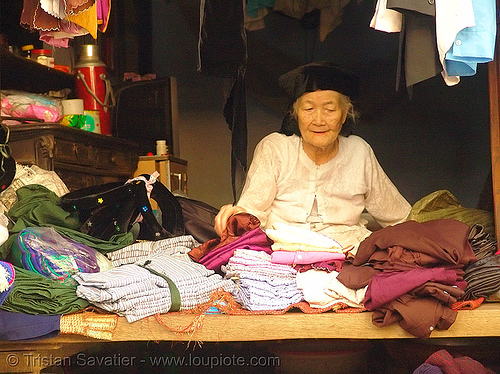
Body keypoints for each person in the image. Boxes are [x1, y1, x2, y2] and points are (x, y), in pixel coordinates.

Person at [215, 61, 411, 250]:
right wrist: (234, 215)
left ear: (345, 114)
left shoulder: (359, 151)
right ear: (295, 113)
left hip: (348, 250)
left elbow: (398, 215)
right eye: (308, 109)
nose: (318, 120)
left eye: (329, 109)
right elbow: (252, 211)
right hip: (283, 247)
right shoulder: (275, 148)